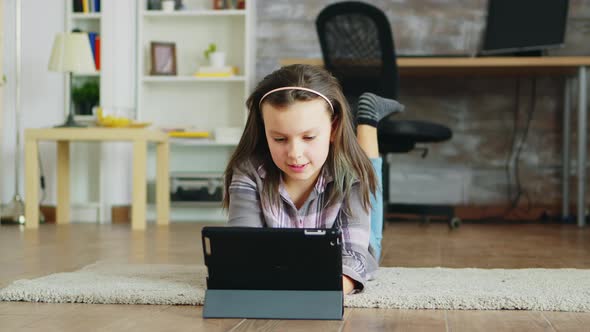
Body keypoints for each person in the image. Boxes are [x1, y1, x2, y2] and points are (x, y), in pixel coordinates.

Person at [222, 64, 404, 294]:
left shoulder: (353, 175)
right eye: (279, 139)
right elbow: (241, 249)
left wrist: (328, 286)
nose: (295, 153)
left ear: (334, 127)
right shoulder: (249, 172)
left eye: (308, 136)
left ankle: (368, 120)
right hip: (296, 263)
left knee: (366, 179)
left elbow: (355, 257)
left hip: (348, 239)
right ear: (263, 130)